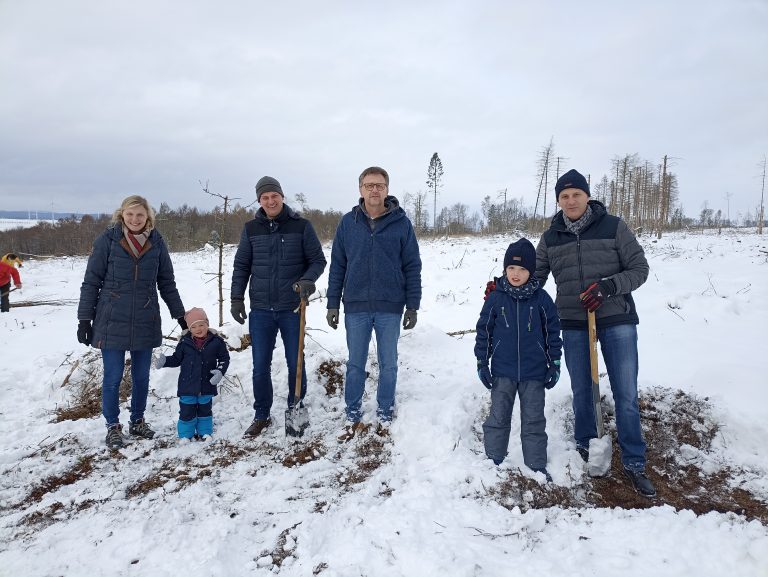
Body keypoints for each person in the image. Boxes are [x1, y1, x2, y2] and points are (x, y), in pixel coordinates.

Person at [535, 169, 655, 497]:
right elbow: (536, 277)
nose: (570, 200)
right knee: (582, 391)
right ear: (558, 201)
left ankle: (634, 462)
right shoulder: (550, 237)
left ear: (587, 196)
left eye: (576, 194)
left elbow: (640, 269)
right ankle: (586, 450)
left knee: (626, 394)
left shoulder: (614, 227)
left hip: (617, 319)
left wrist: (609, 287)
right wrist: (506, 287)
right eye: (564, 196)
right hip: (573, 322)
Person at [77, 195, 187, 449]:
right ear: (121, 215)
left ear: (147, 216)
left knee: (141, 377)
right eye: (130, 214)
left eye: (140, 215)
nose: (135, 219)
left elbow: (167, 283)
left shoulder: (157, 242)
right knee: (113, 377)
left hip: (145, 319)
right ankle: (112, 426)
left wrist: (181, 317)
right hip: (111, 319)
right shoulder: (107, 240)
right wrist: (85, 319)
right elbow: (91, 282)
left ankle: (137, 421)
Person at [326, 166, 422, 441]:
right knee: (355, 363)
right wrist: (333, 302)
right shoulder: (348, 223)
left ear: (387, 189)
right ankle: (352, 412)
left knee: (388, 362)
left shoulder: (402, 223)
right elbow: (338, 266)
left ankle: (385, 411)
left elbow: (412, 266)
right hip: (355, 305)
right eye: (369, 185)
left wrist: (412, 305)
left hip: (390, 306)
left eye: (379, 185)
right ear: (360, 190)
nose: (374, 190)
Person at [230, 176, 327, 438]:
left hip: (292, 308)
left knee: (296, 361)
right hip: (261, 310)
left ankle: (296, 407)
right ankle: (262, 414)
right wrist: (236, 298)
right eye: (265, 197)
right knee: (260, 364)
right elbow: (242, 266)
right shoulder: (251, 229)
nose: (270, 201)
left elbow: (318, 260)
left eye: (274, 196)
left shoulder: (301, 226)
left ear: (282, 197)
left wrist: (307, 280)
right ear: (259, 200)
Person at [475, 239, 562, 481]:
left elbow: (552, 333)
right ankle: (494, 459)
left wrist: (555, 362)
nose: (516, 274)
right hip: (503, 371)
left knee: (534, 419)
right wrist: (482, 362)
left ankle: (535, 464)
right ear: (505, 269)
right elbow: (484, 331)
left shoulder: (542, 299)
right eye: (512, 268)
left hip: (534, 373)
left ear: (531, 272)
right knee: (498, 416)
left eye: (523, 269)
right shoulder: (496, 299)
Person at [155, 307, 230, 441]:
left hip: (207, 384)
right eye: (194, 326)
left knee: (205, 410)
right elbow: (177, 359)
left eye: (201, 324)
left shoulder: (216, 342)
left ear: (207, 324)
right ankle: (185, 435)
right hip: (187, 385)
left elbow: (224, 358)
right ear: (189, 329)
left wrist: (220, 371)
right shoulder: (184, 343)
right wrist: (165, 361)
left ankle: (205, 433)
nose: (198, 329)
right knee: (187, 411)